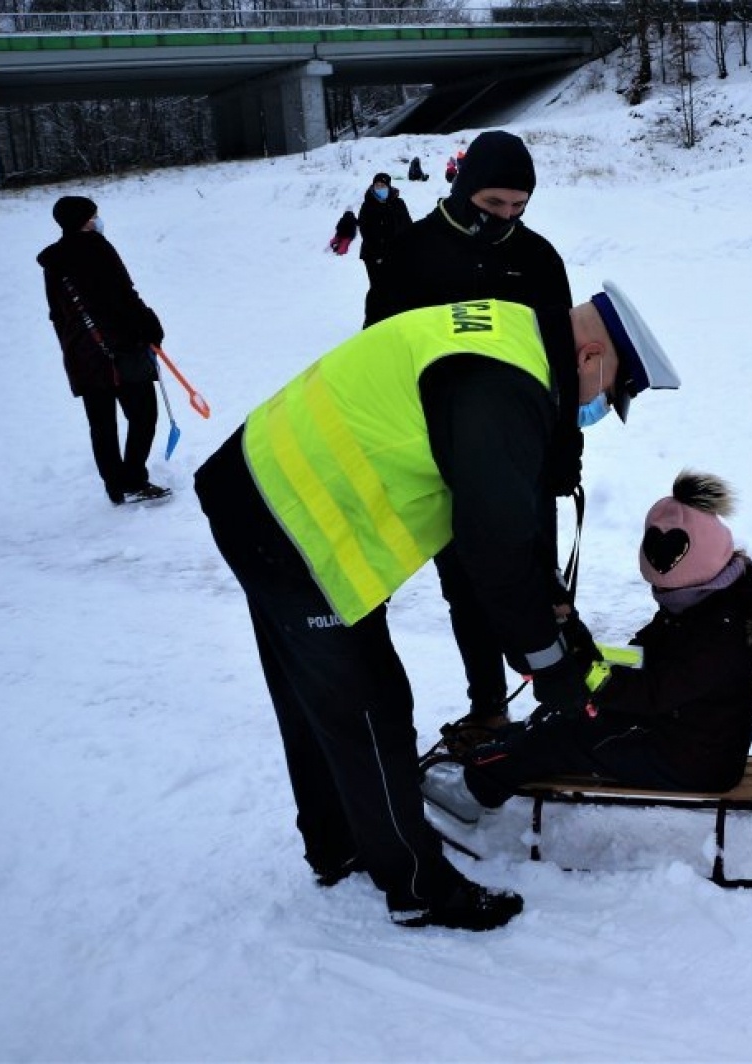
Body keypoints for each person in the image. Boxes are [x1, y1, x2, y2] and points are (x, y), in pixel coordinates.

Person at [193, 286, 681, 932]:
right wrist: (546, 661)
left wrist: (554, 614)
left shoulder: (513, 335)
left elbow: (507, 516)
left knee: (319, 695)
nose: (600, 405)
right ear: (591, 354)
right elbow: (493, 549)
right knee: (371, 709)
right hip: (294, 522)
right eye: (611, 391)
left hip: (257, 487)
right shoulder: (506, 387)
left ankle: (337, 843)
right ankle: (416, 885)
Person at [421, 470, 752, 824]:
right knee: (569, 716)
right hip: (682, 732)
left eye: (668, 592)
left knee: (568, 736)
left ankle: (473, 792)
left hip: (691, 758)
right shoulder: (713, 598)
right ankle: (499, 753)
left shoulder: (720, 631)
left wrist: (591, 675)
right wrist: (586, 648)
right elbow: (649, 651)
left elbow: (653, 692)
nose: (663, 600)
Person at [365, 130, 578, 754]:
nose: (506, 218)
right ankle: (487, 707)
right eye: (493, 204)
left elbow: (560, 360)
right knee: (466, 584)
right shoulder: (412, 251)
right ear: (461, 190)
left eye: (518, 207)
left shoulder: (538, 257)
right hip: (440, 454)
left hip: (525, 453)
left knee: (536, 580)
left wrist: (566, 447)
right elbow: (379, 350)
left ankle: (558, 705)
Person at [37, 195, 170, 506]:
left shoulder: (53, 263)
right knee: (144, 414)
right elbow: (124, 295)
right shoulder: (97, 247)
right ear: (84, 220)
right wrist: (151, 328)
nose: (98, 220)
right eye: (95, 215)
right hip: (120, 349)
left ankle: (115, 485)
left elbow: (57, 314)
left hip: (81, 354)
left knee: (101, 423)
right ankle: (134, 479)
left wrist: (72, 348)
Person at [356, 172, 411, 308]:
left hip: (396, 253)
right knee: (378, 290)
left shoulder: (398, 203)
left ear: (388, 186)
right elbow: (365, 232)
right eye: (377, 185)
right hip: (374, 256)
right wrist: (378, 255)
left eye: (383, 185)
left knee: (398, 288)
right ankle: (374, 321)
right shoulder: (368, 206)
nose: (380, 188)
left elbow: (408, 225)